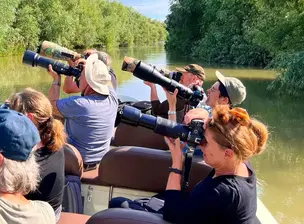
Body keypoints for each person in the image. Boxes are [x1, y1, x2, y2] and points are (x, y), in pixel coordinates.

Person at [110, 89, 268, 224]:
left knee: (117, 205)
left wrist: (177, 163)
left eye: (206, 142)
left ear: (227, 153)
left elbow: (171, 214)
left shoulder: (223, 191)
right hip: (194, 211)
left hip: (178, 215)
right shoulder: (240, 164)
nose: (200, 145)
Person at [0, 88, 66, 220]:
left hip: (33, 217)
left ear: (29, 118)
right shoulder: (53, 139)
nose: (9, 116)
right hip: (52, 212)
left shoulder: (23, 155)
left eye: (14, 113)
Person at [48, 53, 119, 171]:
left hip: (75, 164)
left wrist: (56, 80)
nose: (79, 78)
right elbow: (106, 78)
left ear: (90, 80)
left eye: (81, 75)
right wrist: (87, 67)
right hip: (100, 162)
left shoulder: (80, 104)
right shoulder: (112, 98)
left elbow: (50, 105)